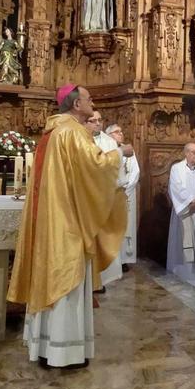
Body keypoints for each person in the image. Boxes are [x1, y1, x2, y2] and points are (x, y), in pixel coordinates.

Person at [7, 84, 133, 368]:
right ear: (76, 105)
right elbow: (95, 167)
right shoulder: (73, 132)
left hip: (53, 219)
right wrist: (119, 153)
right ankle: (65, 352)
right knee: (67, 281)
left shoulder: (52, 132)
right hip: (69, 221)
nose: (92, 101)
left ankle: (45, 346)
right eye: (88, 98)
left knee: (52, 277)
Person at [85, 109, 123, 287]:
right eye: (93, 120)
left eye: (100, 120)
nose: (97, 123)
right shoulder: (80, 139)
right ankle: (87, 280)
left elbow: (115, 170)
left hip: (104, 198)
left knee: (104, 239)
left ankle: (101, 280)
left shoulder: (110, 143)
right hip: (85, 198)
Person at [166, 142, 195, 287]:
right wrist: (191, 201)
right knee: (181, 243)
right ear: (186, 153)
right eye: (193, 152)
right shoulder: (176, 169)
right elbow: (176, 187)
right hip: (183, 212)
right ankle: (180, 275)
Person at [106, 124, 140, 269]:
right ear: (108, 135)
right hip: (111, 194)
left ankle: (125, 259)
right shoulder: (107, 150)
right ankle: (112, 259)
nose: (121, 134)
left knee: (127, 226)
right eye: (116, 132)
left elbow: (135, 172)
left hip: (127, 193)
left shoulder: (128, 150)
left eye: (121, 131)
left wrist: (125, 188)